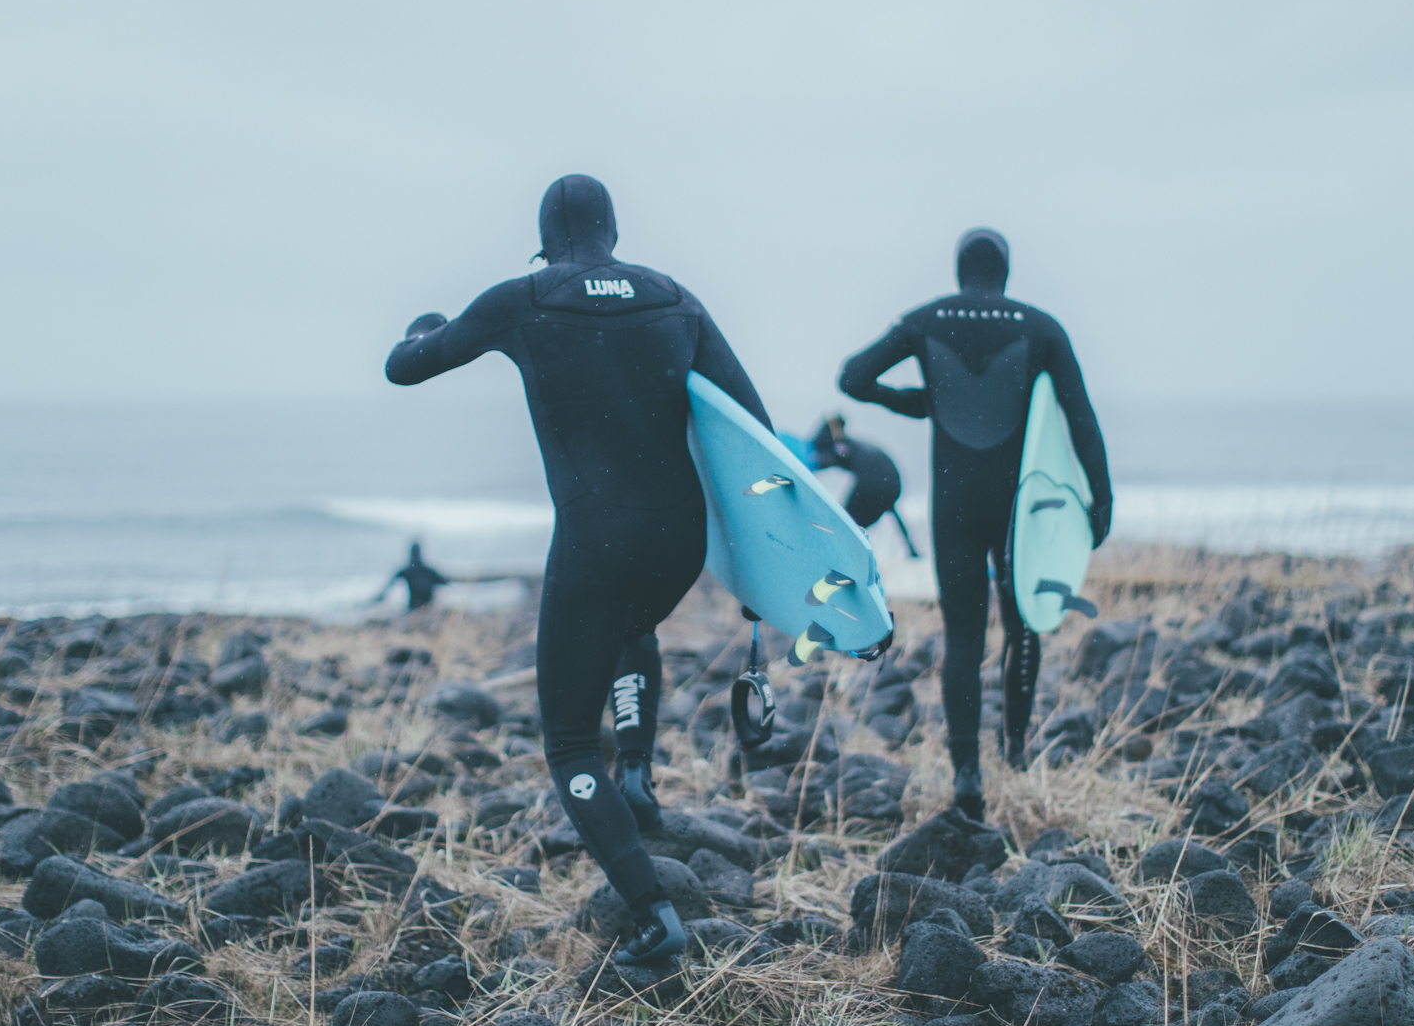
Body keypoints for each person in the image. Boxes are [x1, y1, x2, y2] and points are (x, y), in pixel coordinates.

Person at [384, 174, 772, 964]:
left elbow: (407, 366)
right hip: (678, 542)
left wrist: (429, 324)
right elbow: (751, 426)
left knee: (565, 745)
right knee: (636, 622)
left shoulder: (522, 300)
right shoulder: (675, 298)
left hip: (597, 540)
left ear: (547, 239)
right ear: (614, 232)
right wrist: (764, 567)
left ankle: (655, 915)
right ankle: (636, 771)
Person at [838, 228, 1112, 819]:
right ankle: (1013, 752)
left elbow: (853, 377)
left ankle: (967, 774)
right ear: (1005, 272)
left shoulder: (924, 319)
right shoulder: (1041, 327)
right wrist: (1100, 500)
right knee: (1023, 628)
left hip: (954, 507)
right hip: (1018, 512)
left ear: (960, 270)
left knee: (963, 637)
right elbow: (1080, 415)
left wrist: (921, 401)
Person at [811, 414, 919, 558]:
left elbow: (832, 457)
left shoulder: (844, 445)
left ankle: (842, 555)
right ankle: (911, 550)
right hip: (893, 484)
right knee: (858, 522)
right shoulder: (859, 445)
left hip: (873, 483)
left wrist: (812, 463)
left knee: (846, 523)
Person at [373, 541, 450, 611]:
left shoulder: (406, 571)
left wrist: (374, 600)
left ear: (410, 553)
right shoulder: (430, 571)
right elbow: (446, 582)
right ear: (420, 553)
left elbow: (386, 590)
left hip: (412, 610)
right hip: (429, 609)